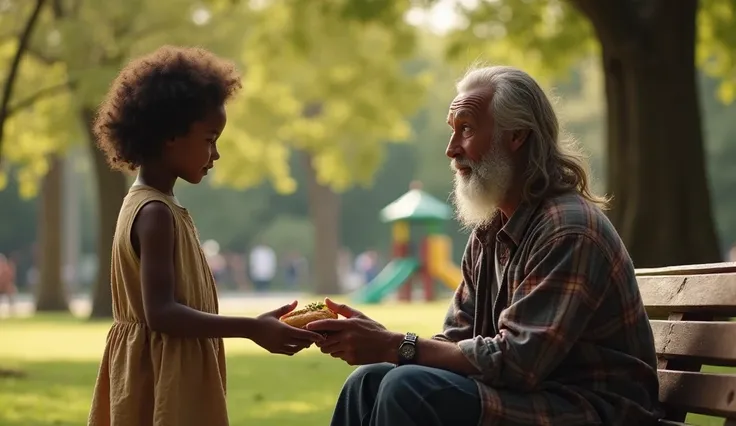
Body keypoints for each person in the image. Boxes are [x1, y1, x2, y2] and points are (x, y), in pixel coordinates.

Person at [307, 65, 661, 426]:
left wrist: (395, 344)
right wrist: (385, 341)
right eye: (453, 130)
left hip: (591, 410)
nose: (450, 149)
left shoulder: (567, 230)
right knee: (367, 381)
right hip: (534, 397)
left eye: (467, 129)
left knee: (408, 388)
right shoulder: (490, 233)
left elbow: (519, 363)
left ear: (517, 135)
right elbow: (456, 338)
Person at [86, 45, 324, 426]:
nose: (215, 154)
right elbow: (161, 313)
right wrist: (251, 329)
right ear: (169, 135)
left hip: (171, 365)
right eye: (210, 139)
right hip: (161, 374)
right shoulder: (154, 213)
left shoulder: (155, 204)